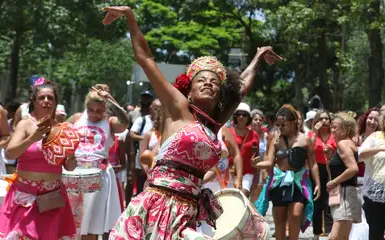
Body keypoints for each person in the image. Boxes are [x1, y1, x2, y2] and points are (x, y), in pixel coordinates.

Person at [102, 5, 281, 239]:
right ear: (188, 91)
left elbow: (241, 88)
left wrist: (258, 56)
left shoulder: (214, 123)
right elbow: (145, 58)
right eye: (201, 80)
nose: (209, 83)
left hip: (190, 210)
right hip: (158, 204)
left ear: (220, 95)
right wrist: (130, 17)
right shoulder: (178, 107)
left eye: (214, 82)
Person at [0, 80, 76, 239]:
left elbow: (70, 167)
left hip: (52, 198)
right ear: (34, 100)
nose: (46, 101)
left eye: (50, 98)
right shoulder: (26, 124)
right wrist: (32, 138)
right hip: (25, 196)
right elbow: (10, 154)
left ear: (55, 101)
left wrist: (71, 152)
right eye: (42, 98)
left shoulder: (62, 127)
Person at [67, 84, 127, 240]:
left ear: (105, 109)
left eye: (99, 111)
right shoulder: (76, 119)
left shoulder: (110, 122)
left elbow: (125, 122)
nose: (94, 114)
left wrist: (111, 100)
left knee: (91, 224)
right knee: (72, 222)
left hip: (98, 175)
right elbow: (63, 136)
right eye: (91, 110)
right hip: (74, 174)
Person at [255, 104, 321, 240]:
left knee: (296, 215)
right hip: (279, 181)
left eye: (283, 124)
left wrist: (318, 184)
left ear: (293, 123)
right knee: (279, 217)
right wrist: (256, 164)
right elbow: (269, 162)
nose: (280, 127)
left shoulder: (305, 140)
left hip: (298, 181)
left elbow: (313, 163)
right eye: (277, 124)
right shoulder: (275, 139)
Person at [328, 112, 361, 240]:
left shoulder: (343, 144)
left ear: (345, 129)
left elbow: (353, 168)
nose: (332, 130)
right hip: (346, 194)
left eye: (335, 127)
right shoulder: (347, 143)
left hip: (345, 194)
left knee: (334, 237)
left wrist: (334, 182)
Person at [358, 109, 385, 240]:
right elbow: (359, 156)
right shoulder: (375, 136)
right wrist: (380, 148)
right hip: (376, 193)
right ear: (384, 121)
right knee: (376, 233)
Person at [309, 110, 336, 237]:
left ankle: (330, 232)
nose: (324, 121)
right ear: (316, 121)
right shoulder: (312, 134)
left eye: (327, 119)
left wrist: (331, 150)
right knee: (317, 201)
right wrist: (315, 132)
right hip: (316, 169)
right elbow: (309, 148)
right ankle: (317, 233)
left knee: (329, 201)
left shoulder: (334, 134)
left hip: (331, 169)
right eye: (321, 119)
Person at [229, 102, 259, 197]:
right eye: (239, 114)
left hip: (248, 172)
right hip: (230, 172)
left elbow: (256, 155)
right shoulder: (228, 132)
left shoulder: (254, 135)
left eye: (244, 114)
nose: (241, 117)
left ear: (248, 118)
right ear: (235, 117)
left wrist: (257, 177)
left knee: (242, 196)